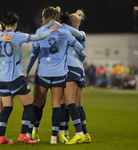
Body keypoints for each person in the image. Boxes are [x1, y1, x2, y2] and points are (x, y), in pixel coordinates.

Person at [0, 11, 58, 145]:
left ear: (3, 24)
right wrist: (50, 30)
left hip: (1, 80)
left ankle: (1, 137)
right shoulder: (17, 36)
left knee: (7, 108)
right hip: (15, 78)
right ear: (16, 24)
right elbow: (38, 37)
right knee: (29, 106)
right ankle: (23, 135)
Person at [25, 6, 84, 144]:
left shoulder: (41, 31)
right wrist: (76, 59)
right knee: (56, 105)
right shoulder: (64, 31)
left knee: (37, 104)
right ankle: (54, 138)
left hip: (43, 73)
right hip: (59, 73)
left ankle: (32, 132)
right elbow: (80, 48)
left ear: (45, 17)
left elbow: (34, 51)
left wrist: (27, 70)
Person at [66, 9, 91, 143]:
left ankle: (79, 133)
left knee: (70, 102)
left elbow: (73, 33)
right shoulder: (76, 33)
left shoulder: (79, 33)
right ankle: (86, 134)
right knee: (79, 104)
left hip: (72, 69)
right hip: (80, 69)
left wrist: (62, 26)